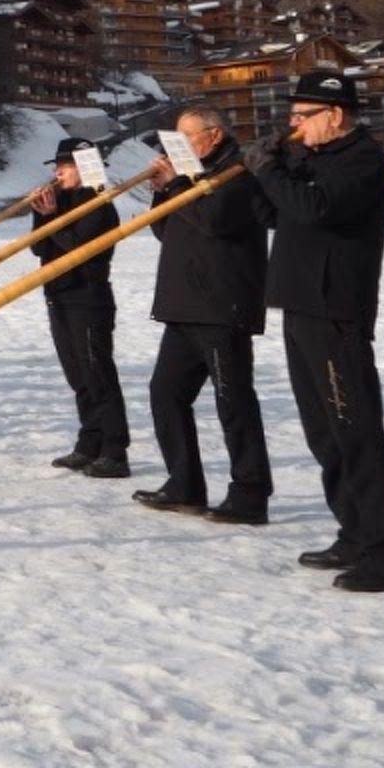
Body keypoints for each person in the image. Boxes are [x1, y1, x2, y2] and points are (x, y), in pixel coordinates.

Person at [255, 70, 384, 593]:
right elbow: (276, 212)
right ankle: (353, 530)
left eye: (302, 117)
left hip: (335, 309)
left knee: (356, 429)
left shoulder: (362, 161)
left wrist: (274, 172)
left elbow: (313, 208)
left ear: (336, 115)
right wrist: (262, 173)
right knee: (324, 431)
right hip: (301, 305)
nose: (294, 126)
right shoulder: (316, 158)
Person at [134, 106, 276, 524]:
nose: (177, 146)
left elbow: (216, 220)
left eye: (186, 137)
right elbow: (167, 230)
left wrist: (179, 182)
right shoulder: (191, 174)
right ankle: (185, 483)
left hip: (222, 304)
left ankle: (250, 493)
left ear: (213, 136)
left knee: (233, 400)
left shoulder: (237, 171)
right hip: (183, 305)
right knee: (166, 393)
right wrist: (164, 190)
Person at [28, 138, 130, 477]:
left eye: (66, 165)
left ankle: (115, 450)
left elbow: (79, 249)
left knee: (97, 373)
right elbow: (39, 248)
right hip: (58, 295)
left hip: (88, 297)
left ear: (85, 167)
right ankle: (90, 442)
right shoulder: (59, 201)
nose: (58, 172)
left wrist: (54, 216)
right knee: (77, 377)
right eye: (57, 165)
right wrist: (42, 215)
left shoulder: (99, 203)